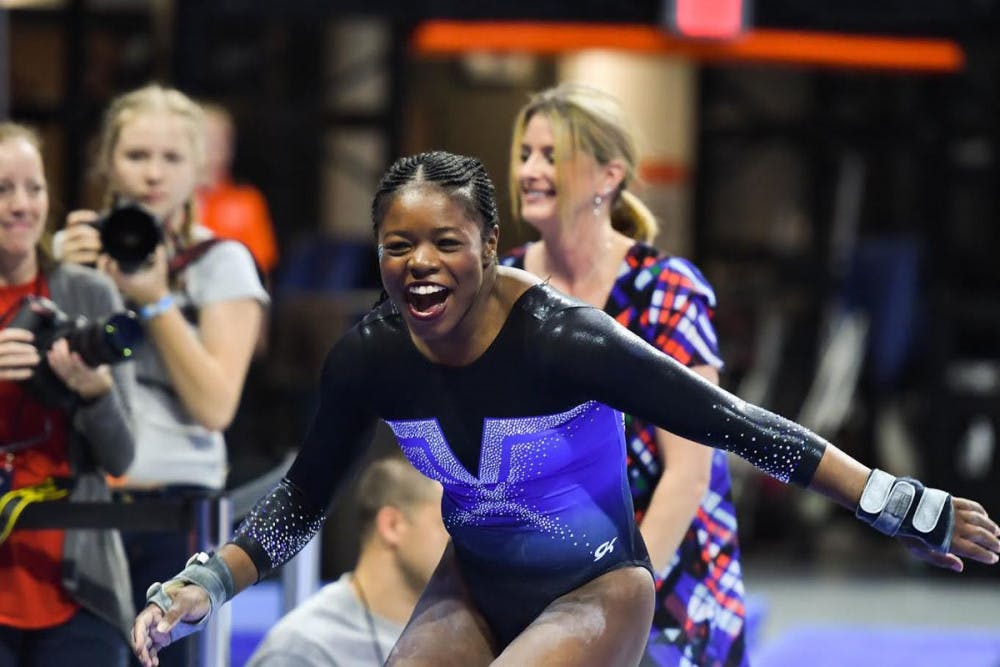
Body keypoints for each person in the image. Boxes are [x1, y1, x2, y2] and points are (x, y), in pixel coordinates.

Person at [131, 151, 1000, 667]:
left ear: (491, 247)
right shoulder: (371, 357)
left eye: (447, 242)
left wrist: (898, 502)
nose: (421, 265)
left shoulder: (565, 339)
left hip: (599, 587)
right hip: (470, 583)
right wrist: (202, 585)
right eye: (399, 246)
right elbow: (300, 502)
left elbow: (737, 423)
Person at [501, 83, 745, 665]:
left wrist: (623, 600)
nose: (530, 170)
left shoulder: (667, 291)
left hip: (670, 563)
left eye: (551, 156)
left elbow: (689, 473)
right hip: (544, 559)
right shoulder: (500, 287)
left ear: (609, 178)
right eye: (526, 154)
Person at [56, 84, 269, 667]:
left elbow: (216, 406)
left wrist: (154, 300)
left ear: (198, 166)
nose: (153, 174)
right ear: (107, 161)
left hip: (177, 509)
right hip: (81, 503)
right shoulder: (73, 253)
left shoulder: (220, 261)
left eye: (171, 158)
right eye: (136, 156)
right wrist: (69, 279)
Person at [0, 122, 136, 665]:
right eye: (3, 189)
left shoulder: (88, 293)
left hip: (80, 587)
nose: (21, 206)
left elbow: (123, 455)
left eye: (34, 188)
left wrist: (97, 393)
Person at [246, 455, 449, 667]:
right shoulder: (305, 649)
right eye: (447, 525)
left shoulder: (463, 639)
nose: (461, 544)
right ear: (392, 525)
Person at [197, 102, 279, 278]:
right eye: (207, 138)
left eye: (222, 140)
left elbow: (261, 266)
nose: (215, 148)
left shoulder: (247, 200)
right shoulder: (173, 200)